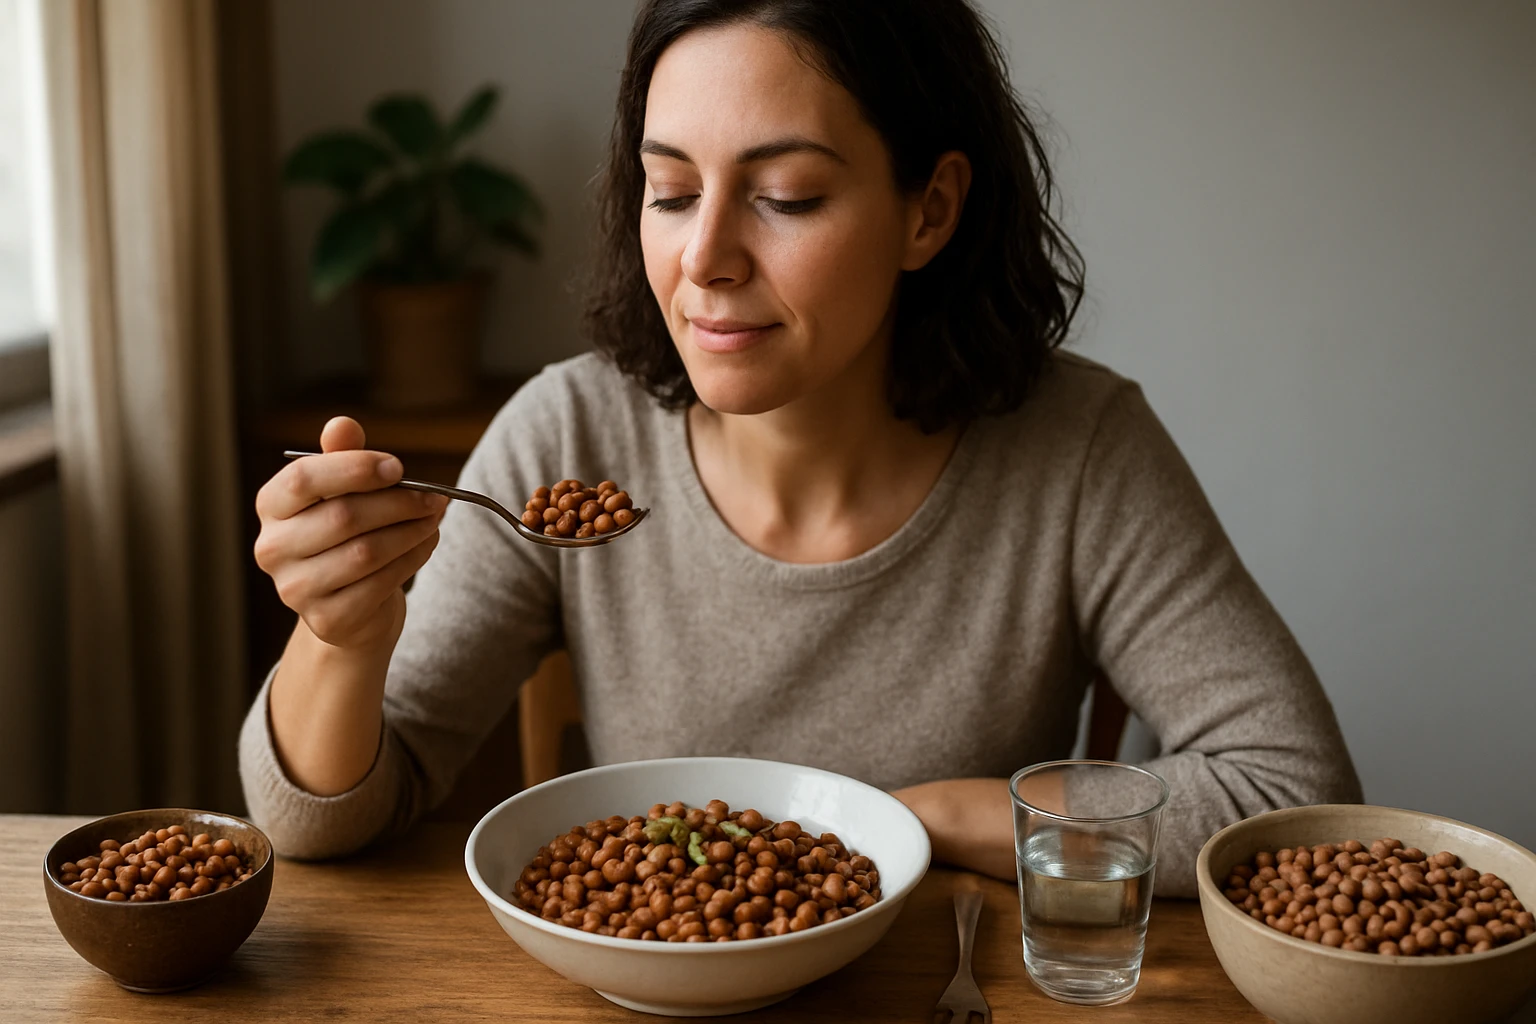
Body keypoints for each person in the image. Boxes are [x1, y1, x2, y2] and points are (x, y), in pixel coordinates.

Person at [241, 0, 1360, 896]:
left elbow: (1292, 789)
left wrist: (931, 813)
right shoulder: (569, 434)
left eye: (785, 195)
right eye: (670, 190)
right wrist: (341, 636)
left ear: (929, 211)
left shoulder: (1079, 450)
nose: (706, 257)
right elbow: (314, 823)